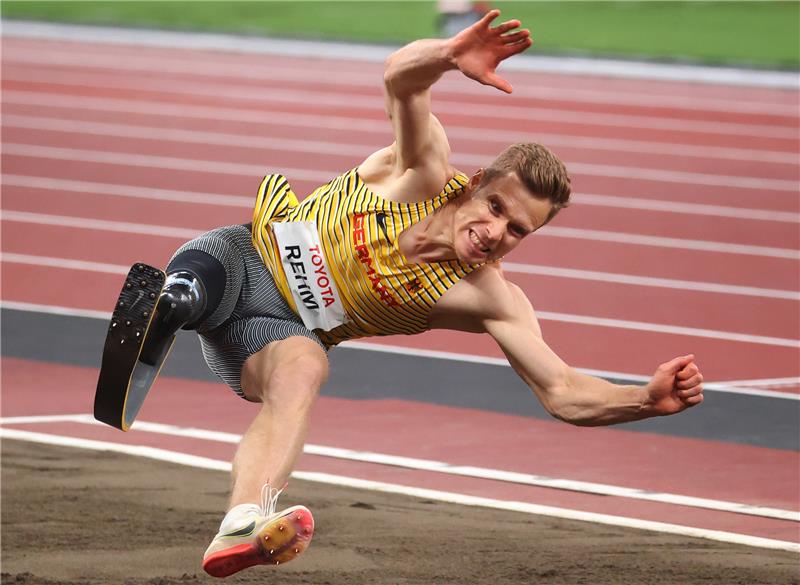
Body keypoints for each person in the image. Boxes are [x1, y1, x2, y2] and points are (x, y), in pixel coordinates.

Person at [95, 10, 705, 578]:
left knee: (307, 368)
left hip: (274, 334)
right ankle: (165, 311)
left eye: (518, 230)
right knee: (182, 297)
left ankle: (240, 528)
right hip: (242, 261)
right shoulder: (421, 172)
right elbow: (399, 80)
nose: (496, 233)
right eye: (495, 208)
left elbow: (564, 392)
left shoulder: (489, 298)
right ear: (475, 185)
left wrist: (645, 400)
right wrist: (446, 54)